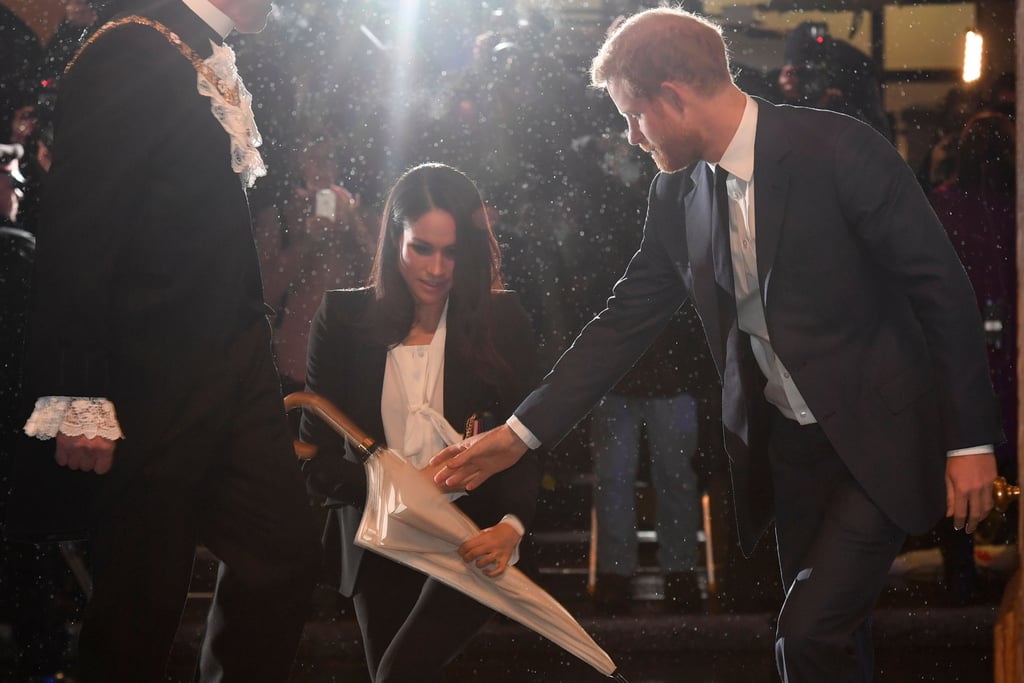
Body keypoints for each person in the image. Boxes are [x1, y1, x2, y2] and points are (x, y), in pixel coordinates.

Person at [432, 8, 1001, 682]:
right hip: (788, 448)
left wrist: (969, 442)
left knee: (806, 629)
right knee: (835, 636)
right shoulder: (675, 196)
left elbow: (942, 288)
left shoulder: (840, 150)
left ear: (673, 96)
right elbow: (620, 326)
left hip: (881, 433)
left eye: (633, 115)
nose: (630, 136)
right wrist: (517, 433)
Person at [7, 1, 320, 681]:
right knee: (136, 610)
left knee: (286, 550)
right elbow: (78, 232)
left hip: (234, 366)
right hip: (152, 380)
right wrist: (78, 392)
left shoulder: (198, 50)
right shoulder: (132, 48)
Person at [299, 163, 542, 683]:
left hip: (472, 538)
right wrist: (396, 493)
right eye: (421, 248)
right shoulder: (341, 321)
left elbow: (526, 437)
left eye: (451, 251)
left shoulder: (503, 319)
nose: (436, 268)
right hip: (380, 541)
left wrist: (511, 525)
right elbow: (314, 463)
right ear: (393, 241)